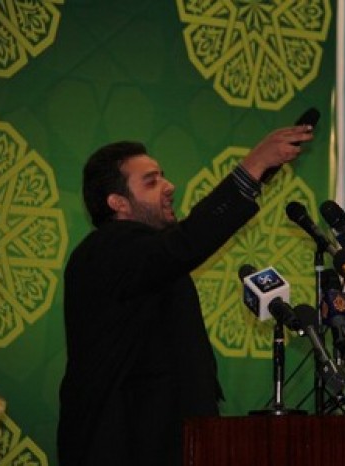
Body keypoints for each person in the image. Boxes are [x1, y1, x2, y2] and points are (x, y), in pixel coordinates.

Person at [57, 124, 313, 466]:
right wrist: (253, 166)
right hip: (125, 444)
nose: (169, 186)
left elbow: (188, 239)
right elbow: (188, 241)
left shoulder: (146, 257)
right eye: (151, 181)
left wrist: (263, 169)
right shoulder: (108, 248)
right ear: (118, 203)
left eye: (163, 176)